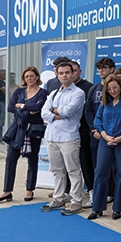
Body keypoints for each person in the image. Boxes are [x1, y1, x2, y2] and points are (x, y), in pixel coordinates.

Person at [0, 67, 48, 203]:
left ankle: (29, 189)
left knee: (32, 160)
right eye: (27, 76)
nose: (29, 78)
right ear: (24, 79)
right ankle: (7, 191)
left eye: (32, 76)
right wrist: (28, 108)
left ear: (37, 77)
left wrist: (21, 106)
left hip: (33, 130)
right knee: (10, 159)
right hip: (17, 130)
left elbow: (38, 108)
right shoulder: (19, 91)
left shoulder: (43, 93)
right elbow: (10, 107)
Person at [40, 62, 86, 215]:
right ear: (57, 75)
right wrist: (56, 113)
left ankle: (76, 201)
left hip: (69, 137)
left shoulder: (78, 93)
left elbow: (68, 111)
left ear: (73, 74)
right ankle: (59, 198)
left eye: (67, 72)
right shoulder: (53, 93)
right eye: (61, 73)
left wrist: (52, 112)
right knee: (57, 170)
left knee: (73, 170)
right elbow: (43, 113)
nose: (64, 75)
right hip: (52, 137)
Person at [88, 74, 121, 220]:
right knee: (100, 172)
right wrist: (104, 135)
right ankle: (97, 207)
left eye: (115, 87)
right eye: (109, 89)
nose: (112, 91)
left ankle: (118, 208)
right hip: (105, 141)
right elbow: (97, 120)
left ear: (120, 87)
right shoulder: (105, 103)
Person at [86, 58, 121, 204]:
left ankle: (112, 193)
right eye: (99, 68)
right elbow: (88, 111)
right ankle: (99, 195)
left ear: (112, 69)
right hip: (97, 135)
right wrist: (96, 130)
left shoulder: (119, 89)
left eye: (104, 68)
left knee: (116, 167)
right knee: (98, 166)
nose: (101, 71)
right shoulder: (93, 89)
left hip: (115, 136)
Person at [70, 60, 94, 207]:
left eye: (74, 70)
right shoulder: (63, 89)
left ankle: (91, 191)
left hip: (84, 131)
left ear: (80, 71)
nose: (71, 74)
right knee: (70, 165)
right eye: (68, 71)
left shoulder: (88, 87)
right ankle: (70, 192)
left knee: (86, 163)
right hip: (68, 132)